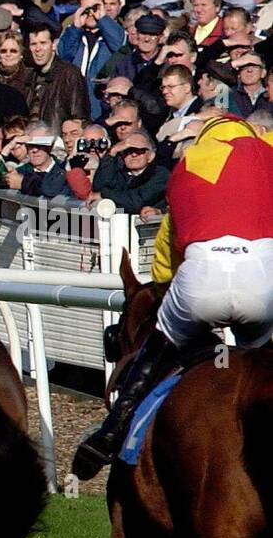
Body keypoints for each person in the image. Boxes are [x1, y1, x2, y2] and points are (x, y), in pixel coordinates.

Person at [73, 115, 273, 477]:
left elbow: (166, 263)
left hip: (200, 279)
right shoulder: (266, 150)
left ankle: (110, 432)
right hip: (262, 282)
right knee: (262, 360)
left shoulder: (187, 165)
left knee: (161, 341)